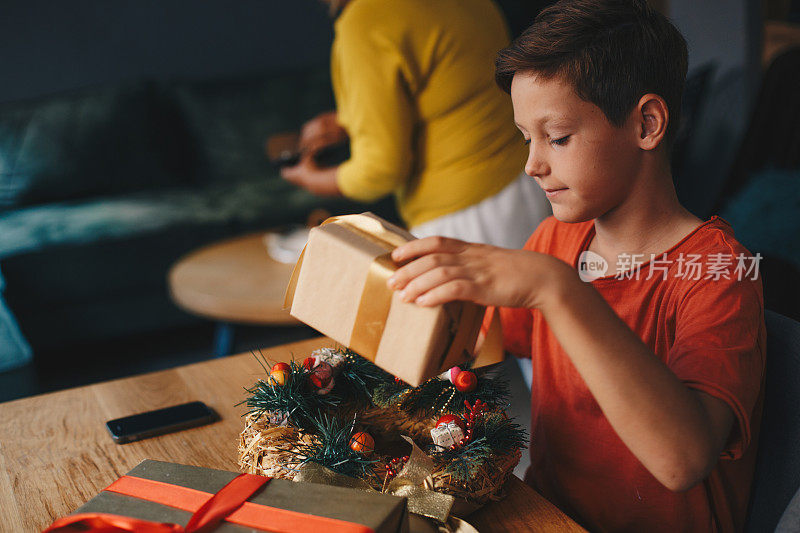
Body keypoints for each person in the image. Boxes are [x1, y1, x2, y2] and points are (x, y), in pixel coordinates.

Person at [385, 1, 766, 531]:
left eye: (557, 138)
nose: (532, 164)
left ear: (647, 124)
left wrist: (557, 289)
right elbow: (477, 345)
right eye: (526, 138)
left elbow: (684, 461)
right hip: (548, 517)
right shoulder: (556, 240)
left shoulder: (719, 273)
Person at [280, 0, 549, 247]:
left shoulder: (366, 21)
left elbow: (380, 170)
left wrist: (314, 180)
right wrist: (350, 118)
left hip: (461, 223)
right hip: (527, 187)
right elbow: (453, 81)